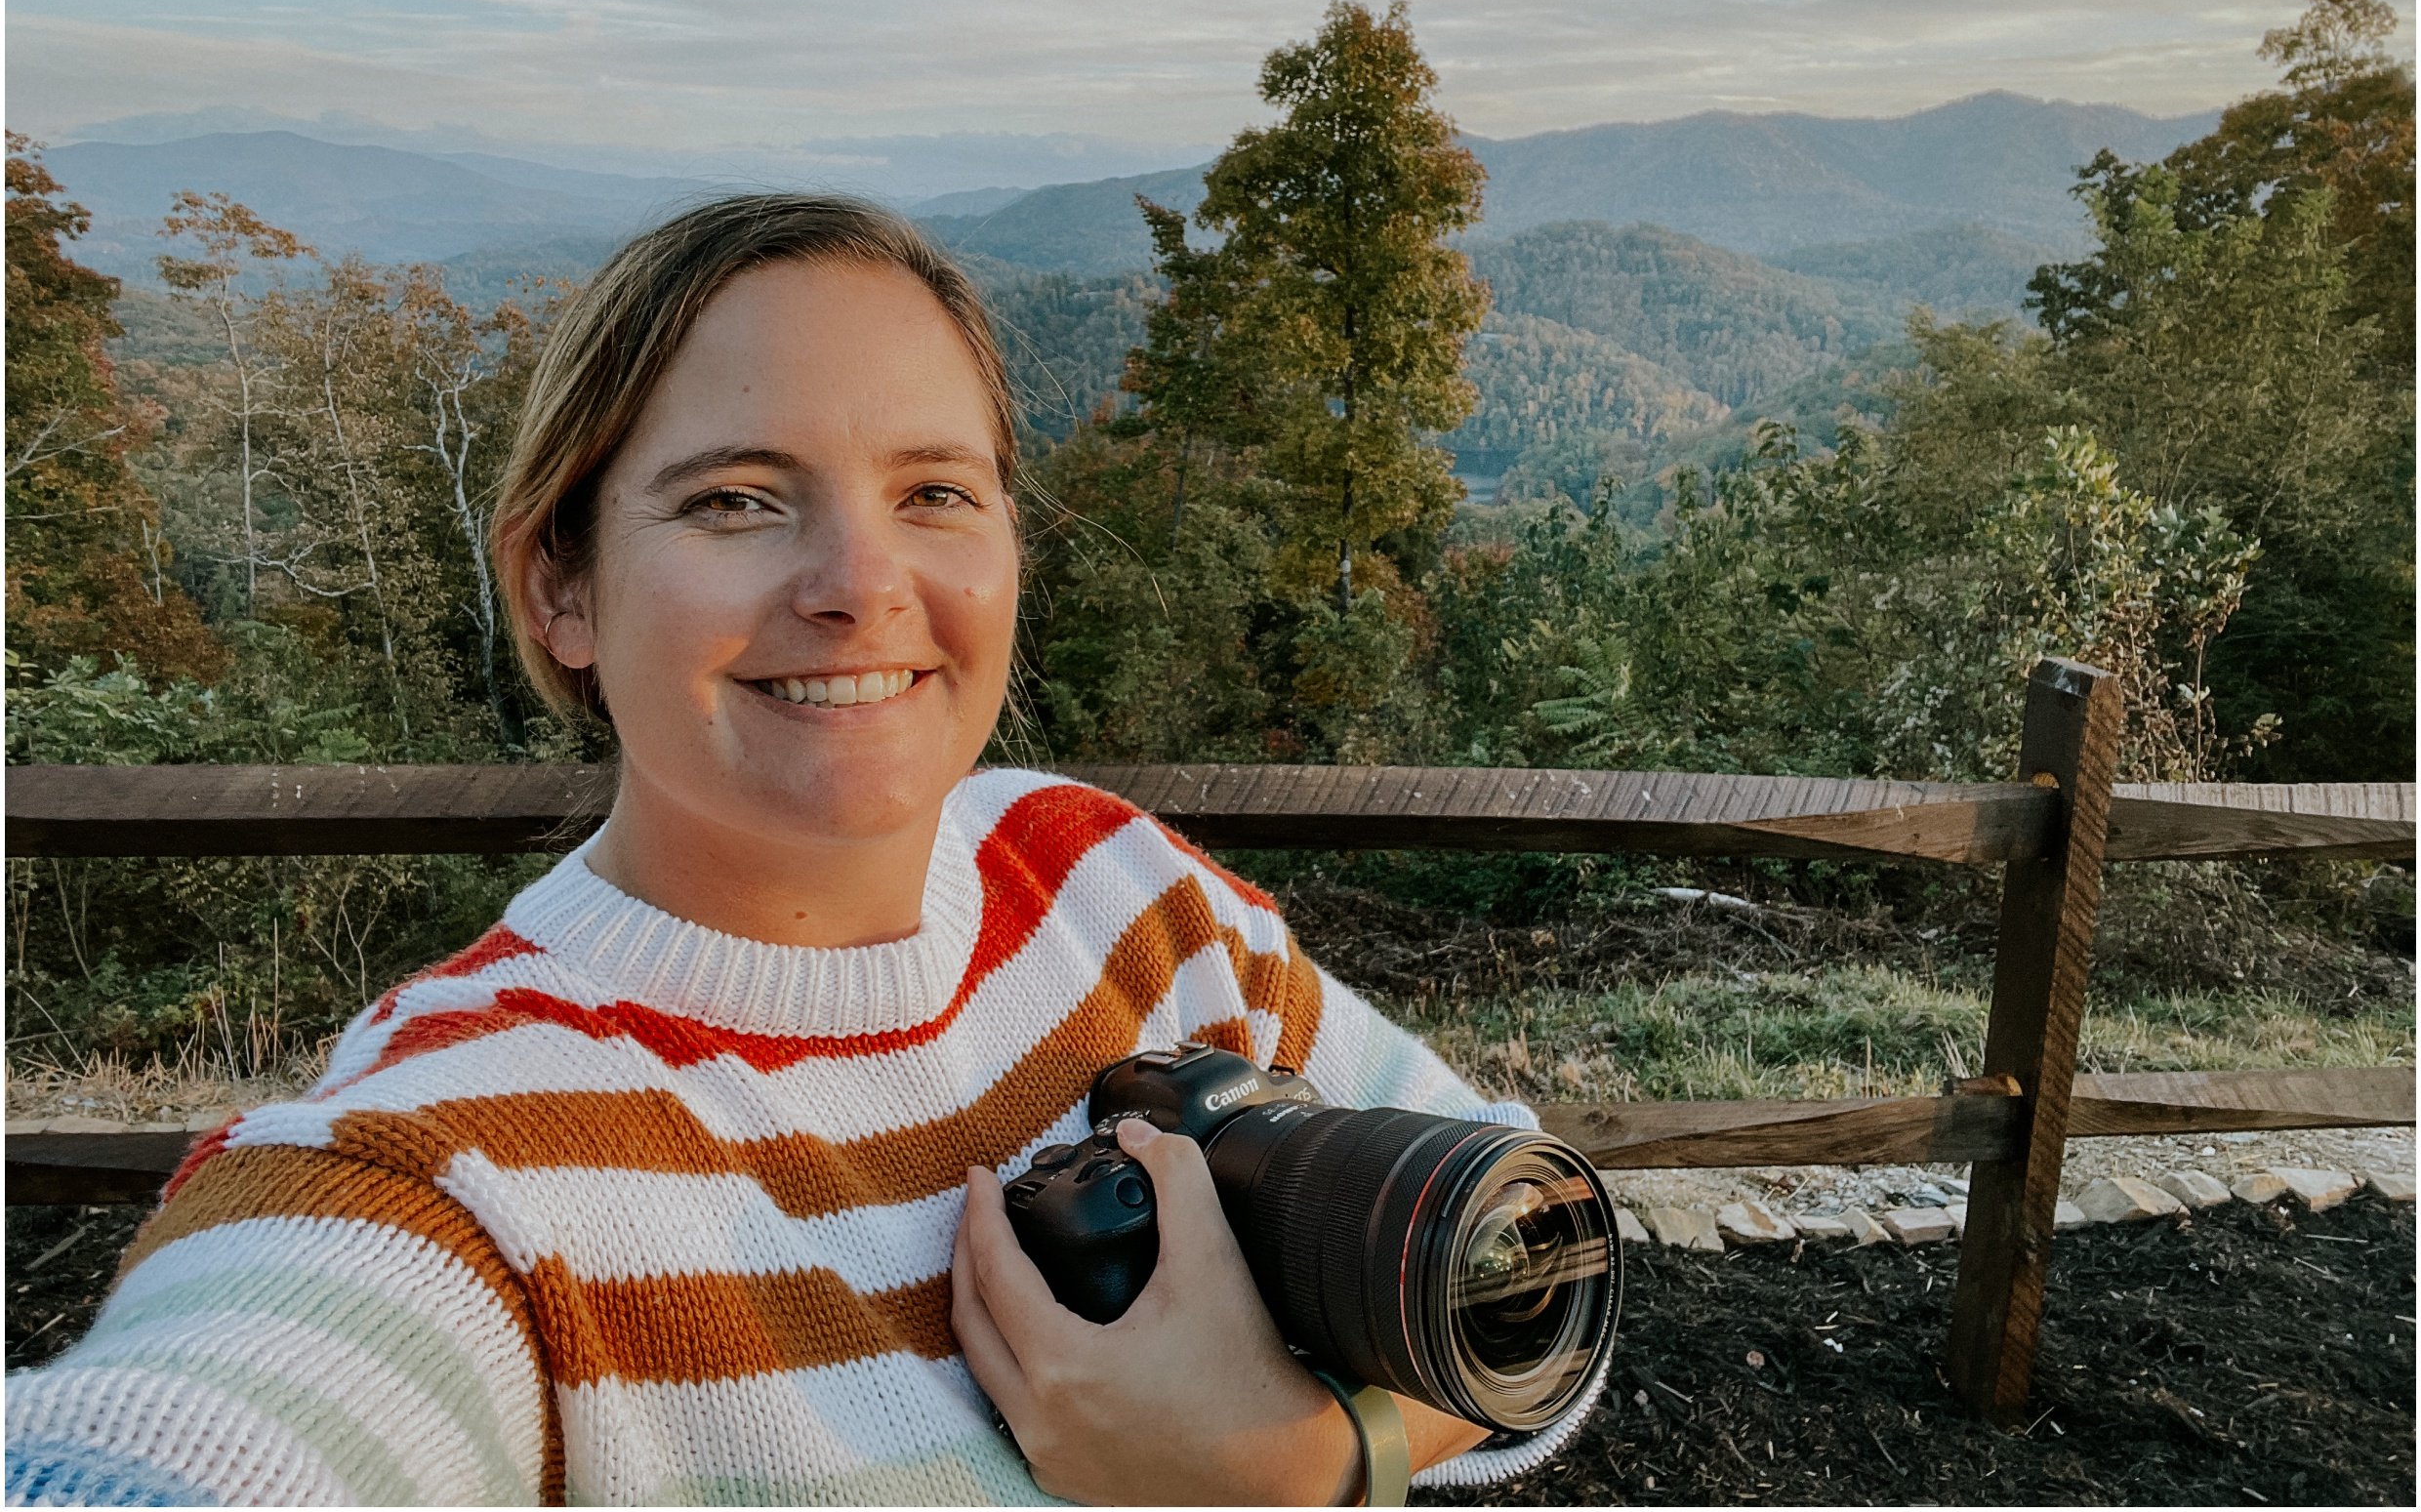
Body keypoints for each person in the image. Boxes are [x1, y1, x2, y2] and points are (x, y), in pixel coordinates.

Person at [5, 195, 1610, 1506]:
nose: (860, 582)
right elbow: (222, 1423)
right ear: (559, 585)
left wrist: (1308, 1463)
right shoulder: (458, 1167)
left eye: (935, 490)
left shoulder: (1115, 887)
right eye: (735, 502)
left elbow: (1543, 1273)